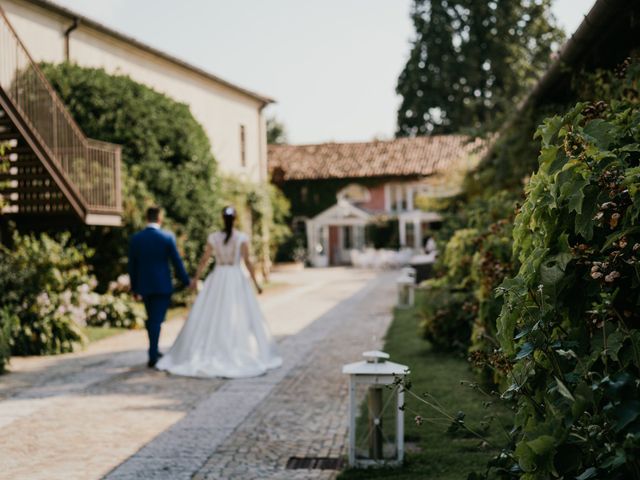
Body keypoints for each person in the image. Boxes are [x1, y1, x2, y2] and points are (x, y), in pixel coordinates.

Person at [156, 206, 282, 378]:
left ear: (222, 219)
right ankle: (239, 349)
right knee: (239, 316)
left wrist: (195, 279)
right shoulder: (241, 238)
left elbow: (204, 260)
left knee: (213, 313)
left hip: (218, 278)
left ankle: (210, 348)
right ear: (235, 219)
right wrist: (256, 284)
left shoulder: (214, 238)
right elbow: (248, 262)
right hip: (236, 278)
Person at [128, 206, 191, 368]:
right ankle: (153, 354)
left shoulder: (137, 238)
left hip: (144, 285)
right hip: (162, 285)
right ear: (160, 218)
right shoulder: (167, 237)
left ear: (146, 218)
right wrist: (186, 281)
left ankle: (154, 351)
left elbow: (132, 266)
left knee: (152, 319)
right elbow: (176, 261)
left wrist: (134, 287)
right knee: (156, 320)